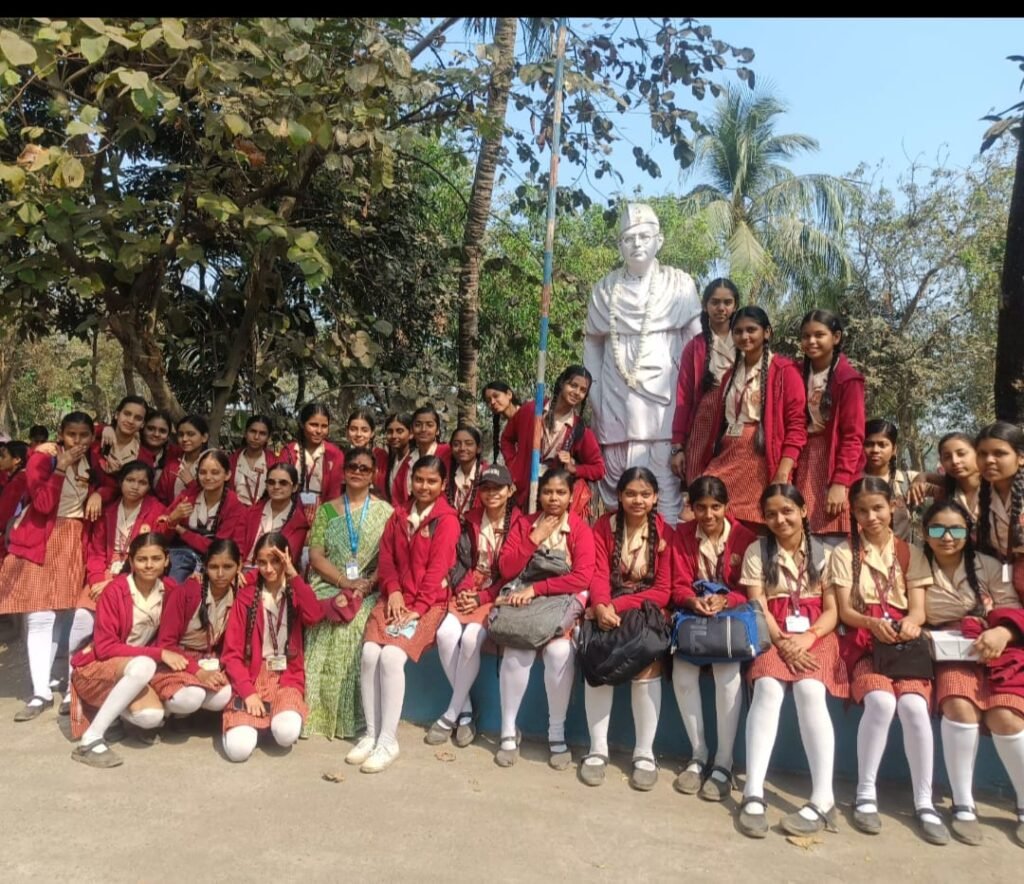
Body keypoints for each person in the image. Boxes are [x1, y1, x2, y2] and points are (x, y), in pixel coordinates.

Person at [832, 477, 947, 845]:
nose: (871, 517)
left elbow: (918, 610)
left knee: (914, 707)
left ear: (892, 507)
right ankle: (865, 793)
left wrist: (910, 624)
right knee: (880, 702)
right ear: (853, 513)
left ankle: (924, 801)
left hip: (904, 643)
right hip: (865, 642)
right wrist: (872, 624)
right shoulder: (844, 553)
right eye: (862, 510)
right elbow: (846, 612)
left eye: (878, 508)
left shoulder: (910, 552)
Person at [736, 484, 846, 839]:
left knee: (810, 691)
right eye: (771, 514)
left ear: (803, 511)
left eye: (787, 511)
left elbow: (832, 611)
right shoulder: (757, 550)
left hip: (816, 633)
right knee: (767, 688)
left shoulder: (825, 553)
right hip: (773, 633)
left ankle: (824, 798)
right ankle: (753, 791)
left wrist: (807, 638)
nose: (780, 519)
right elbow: (758, 605)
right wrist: (783, 642)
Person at [584, 202, 702, 523]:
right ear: (619, 245)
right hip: (615, 405)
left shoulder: (679, 285)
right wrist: (597, 400)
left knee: (666, 496)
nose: (636, 244)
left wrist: (693, 401)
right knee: (616, 495)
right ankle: (616, 554)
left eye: (644, 236)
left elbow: (696, 346)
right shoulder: (604, 290)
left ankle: (665, 554)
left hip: (666, 409)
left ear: (658, 240)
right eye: (628, 238)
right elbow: (592, 347)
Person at [916, 499, 1024, 846]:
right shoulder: (917, 564)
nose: (946, 537)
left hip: (997, 647)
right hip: (948, 652)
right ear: (925, 534)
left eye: (956, 529)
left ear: (969, 532)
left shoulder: (989, 566)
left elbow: (1011, 607)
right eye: (937, 529)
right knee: (959, 706)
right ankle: (963, 803)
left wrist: (1002, 633)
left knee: (1006, 716)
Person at [351, 455, 459, 773]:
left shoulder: (446, 520)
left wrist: (418, 608)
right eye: (419, 479)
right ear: (411, 481)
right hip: (394, 599)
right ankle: (371, 734)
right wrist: (394, 590)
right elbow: (386, 560)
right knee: (369, 654)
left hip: (427, 604)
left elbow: (437, 569)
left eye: (431, 481)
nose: (424, 486)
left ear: (443, 485)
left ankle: (388, 740)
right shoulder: (398, 516)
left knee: (391, 658)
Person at [0, 412, 109, 721]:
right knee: (39, 616)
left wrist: (98, 493)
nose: (78, 441)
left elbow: (112, 483)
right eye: (71, 434)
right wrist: (60, 467)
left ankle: (54, 683)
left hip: (74, 541)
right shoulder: (41, 459)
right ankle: (40, 692)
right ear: (60, 433)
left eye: (84, 435)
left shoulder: (94, 461)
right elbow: (44, 504)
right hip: (42, 539)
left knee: (63, 614)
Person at [494, 468, 595, 769]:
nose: (553, 498)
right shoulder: (525, 524)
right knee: (516, 650)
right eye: (548, 492)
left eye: (560, 492)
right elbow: (507, 568)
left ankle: (556, 731)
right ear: (539, 495)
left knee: (559, 652)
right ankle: (508, 729)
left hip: (559, 601)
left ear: (571, 496)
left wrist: (538, 589)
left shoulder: (579, 529)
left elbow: (582, 577)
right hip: (523, 600)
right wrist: (534, 538)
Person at [580, 467, 671, 791]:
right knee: (596, 654)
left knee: (647, 659)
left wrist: (616, 606)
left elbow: (663, 591)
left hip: (645, 609)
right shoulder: (604, 527)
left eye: (645, 494)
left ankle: (644, 752)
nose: (638, 500)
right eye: (630, 493)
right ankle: (597, 748)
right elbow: (597, 573)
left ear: (656, 497)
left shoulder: (666, 533)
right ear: (619, 496)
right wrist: (601, 605)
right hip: (608, 605)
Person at [219, 533, 345, 762]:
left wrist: (293, 574)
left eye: (275, 561)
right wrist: (248, 693)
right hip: (252, 676)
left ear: (286, 558)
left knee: (286, 734)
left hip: (287, 677)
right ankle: (253, 724)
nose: (268, 569)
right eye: (262, 562)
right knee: (238, 750)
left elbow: (314, 615)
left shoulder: (295, 591)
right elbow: (231, 655)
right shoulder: (247, 597)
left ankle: (267, 723)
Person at [670, 475, 757, 800]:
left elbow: (749, 588)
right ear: (691, 508)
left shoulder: (745, 538)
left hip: (730, 620)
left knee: (728, 673)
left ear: (726, 506)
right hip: (695, 616)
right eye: (701, 507)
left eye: (716, 507)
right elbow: (677, 584)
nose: (708, 515)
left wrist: (725, 600)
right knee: (682, 673)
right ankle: (698, 753)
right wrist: (693, 600)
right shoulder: (682, 535)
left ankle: (723, 761)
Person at [426, 464, 524, 749]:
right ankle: (466, 710)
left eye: (498, 488)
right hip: (467, 591)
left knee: (470, 638)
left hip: (497, 596)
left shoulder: (519, 523)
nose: (492, 494)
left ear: (510, 490)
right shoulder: (469, 519)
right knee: (445, 634)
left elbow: (514, 572)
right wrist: (465, 589)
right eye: (486, 488)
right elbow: (458, 560)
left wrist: (483, 597)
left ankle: (451, 714)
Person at [68, 533, 181, 768]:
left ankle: (111, 712)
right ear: (131, 561)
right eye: (141, 559)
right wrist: (159, 654)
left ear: (166, 560)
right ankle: (91, 739)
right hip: (97, 666)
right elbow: (105, 647)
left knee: (151, 717)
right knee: (145, 664)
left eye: (156, 558)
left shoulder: (170, 589)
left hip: (134, 670)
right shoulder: (115, 590)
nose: (149, 565)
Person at [304, 446, 393, 740]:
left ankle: (354, 716)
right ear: (343, 473)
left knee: (355, 624)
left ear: (374, 475)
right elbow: (316, 555)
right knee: (323, 617)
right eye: (352, 467)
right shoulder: (327, 510)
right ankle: (317, 713)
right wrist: (343, 581)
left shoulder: (385, 512)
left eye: (364, 468)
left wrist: (365, 584)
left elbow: (389, 557)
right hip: (330, 581)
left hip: (368, 587)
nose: (357, 472)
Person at [700, 307, 807, 529]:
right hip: (729, 452)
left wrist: (782, 472)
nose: (744, 336)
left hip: (760, 456)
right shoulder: (731, 373)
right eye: (738, 331)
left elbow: (797, 427)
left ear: (767, 332)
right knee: (708, 509)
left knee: (753, 523)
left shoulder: (785, 371)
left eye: (751, 330)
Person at [72, 461, 164, 714]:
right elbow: (95, 551)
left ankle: (114, 677)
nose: (135, 487)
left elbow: (152, 555)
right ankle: (75, 675)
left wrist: (113, 583)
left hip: (134, 575)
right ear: (121, 482)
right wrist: (95, 581)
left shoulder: (156, 510)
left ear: (149, 486)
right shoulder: (109, 510)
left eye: (142, 482)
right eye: (130, 480)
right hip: (102, 575)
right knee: (81, 619)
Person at [151, 539, 242, 719]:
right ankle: (166, 710)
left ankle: (183, 716)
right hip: (177, 659)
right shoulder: (187, 592)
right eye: (214, 567)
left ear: (239, 566)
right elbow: (166, 643)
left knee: (223, 696)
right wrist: (198, 672)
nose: (220, 574)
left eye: (228, 567)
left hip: (209, 658)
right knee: (192, 697)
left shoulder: (239, 595)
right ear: (205, 567)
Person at [794, 310, 865, 538]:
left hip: (833, 458)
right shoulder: (795, 373)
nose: (811, 341)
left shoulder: (848, 379)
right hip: (803, 455)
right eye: (806, 336)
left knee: (835, 526)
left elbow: (853, 436)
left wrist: (840, 481)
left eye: (819, 335)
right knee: (800, 527)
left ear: (836, 337)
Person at [502, 365, 605, 515]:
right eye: (573, 385)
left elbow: (599, 469)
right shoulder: (531, 410)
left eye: (583, 390)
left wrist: (574, 468)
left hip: (554, 502)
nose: (577, 392)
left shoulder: (580, 429)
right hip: (523, 493)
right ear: (562, 383)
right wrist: (514, 466)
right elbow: (507, 439)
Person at [671, 278, 741, 489]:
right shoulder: (695, 347)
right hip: (702, 426)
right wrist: (677, 446)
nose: (721, 308)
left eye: (727, 302)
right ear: (705, 305)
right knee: (700, 488)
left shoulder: (746, 341)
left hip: (738, 425)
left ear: (735, 305)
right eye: (715, 302)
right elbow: (683, 398)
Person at [158, 449, 248, 582]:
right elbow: (159, 532)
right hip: (180, 554)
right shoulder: (187, 496)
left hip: (216, 561)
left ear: (228, 474)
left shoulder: (234, 506)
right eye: (202, 472)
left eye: (215, 472)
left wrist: (182, 531)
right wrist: (172, 519)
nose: (208, 477)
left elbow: (220, 547)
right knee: (172, 583)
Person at [974, 421, 1024, 596]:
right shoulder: (983, 493)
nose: (989, 460)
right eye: (982, 454)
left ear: (1021, 458)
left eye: (999, 453)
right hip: (1005, 575)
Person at [280, 403, 345, 526]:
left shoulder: (335, 454)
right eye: (313, 425)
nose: (319, 431)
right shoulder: (289, 451)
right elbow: (280, 487)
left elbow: (334, 495)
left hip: (322, 515)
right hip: (288, 514)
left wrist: (326, 524)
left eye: (324, 426)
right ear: (302, 424)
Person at [239, 463, 308, 567]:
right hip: (242, 570)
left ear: (294, 487)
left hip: (273, 573)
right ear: (266, 485)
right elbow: (237, 548)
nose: (276, 487)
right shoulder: (250, 513)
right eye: (271, 482)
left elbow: (286, 562)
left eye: (283, 483)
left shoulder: (299, 522)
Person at [862, 419, 919, 542]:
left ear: (894, 450)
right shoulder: (853, 482)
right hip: (862, 551)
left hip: (902, 552)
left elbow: (948, 483)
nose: (875, 450)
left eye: (882, 445)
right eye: (869, 444)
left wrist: (923, 478)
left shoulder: (907, 479)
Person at [390, 406, 451, 511]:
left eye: (429, 425)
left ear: (437, 430)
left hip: (441, 514)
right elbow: (397, 495)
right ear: (412, 430)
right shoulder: (408, 460)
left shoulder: (448, 452)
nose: (423, 429)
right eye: (418, 425)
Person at [154, 414, 210, 505]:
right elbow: (160, 500)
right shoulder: (171, 467)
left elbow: (216, 498)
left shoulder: (213, 465)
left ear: (204, 437)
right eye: (180, 434)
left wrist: (191, 484)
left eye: (190, 434)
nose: (184, 439)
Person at [229, 415, 279, 507]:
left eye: (262, 433)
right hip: (234, 511)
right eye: (252, 431)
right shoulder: (231, 461)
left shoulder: (274, 463)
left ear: (268, 438)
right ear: (245, 433)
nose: (256, 437)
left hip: (264, 512)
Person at [95, 396, 150, 475]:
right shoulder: (97, 439)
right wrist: (104, 429)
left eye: (138, 418)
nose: (131, 421)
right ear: (117, 415)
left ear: (142, 424)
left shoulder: (145, 457)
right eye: (127, 414)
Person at [345, 407, 389, 495]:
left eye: (364, 430)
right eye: (353, 429)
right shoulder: (342, 456)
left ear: (372, 433)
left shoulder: (380, 456)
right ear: (347, 431)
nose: (358, 434)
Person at [446, 425, 486, 521]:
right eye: (456, 444)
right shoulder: (448, 475)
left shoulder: (487, 474)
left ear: (478, 448)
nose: (462, 448)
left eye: (469, 444)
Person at [0, 440, 28, 555]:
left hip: (9, 537)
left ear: (17, 460)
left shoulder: (17, 482)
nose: (0, 460)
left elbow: (3, 516)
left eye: (3, 456)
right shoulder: (26, 477)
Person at [482, 380, 520, 466]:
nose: (492, 402)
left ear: (509, 394)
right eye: (488, 401)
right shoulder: (501, 428)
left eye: (496, 396)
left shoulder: (528, 415)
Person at [382, 413, 413, 504]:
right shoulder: (391, 460)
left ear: (411, 434)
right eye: (390, 431)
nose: (394, 436)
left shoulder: (415, 460)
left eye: (399, 431)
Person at [141, 408, 176, 487]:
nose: (156, 434)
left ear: (168, 435)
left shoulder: (175, 454)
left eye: (162, 431)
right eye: (150, 429)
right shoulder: (133, 450)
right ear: (143, 428)